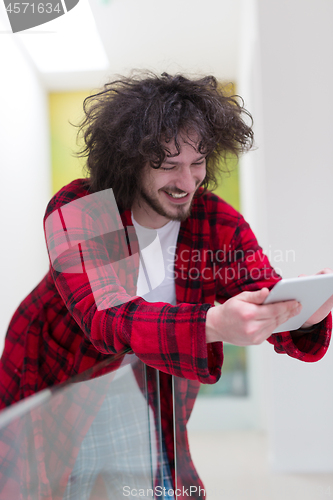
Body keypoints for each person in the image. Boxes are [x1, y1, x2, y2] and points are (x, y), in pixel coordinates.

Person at [0, 73, 332, 499]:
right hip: (55, 378)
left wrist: (304, 310)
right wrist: (213, 324)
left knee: (165, 488)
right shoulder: (81, 208)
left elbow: (261, 291)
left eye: (198, 163)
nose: (187, 182)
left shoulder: (214, 220)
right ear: (128, 160)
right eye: (168, 165)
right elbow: (106, 318)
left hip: (146, 387)